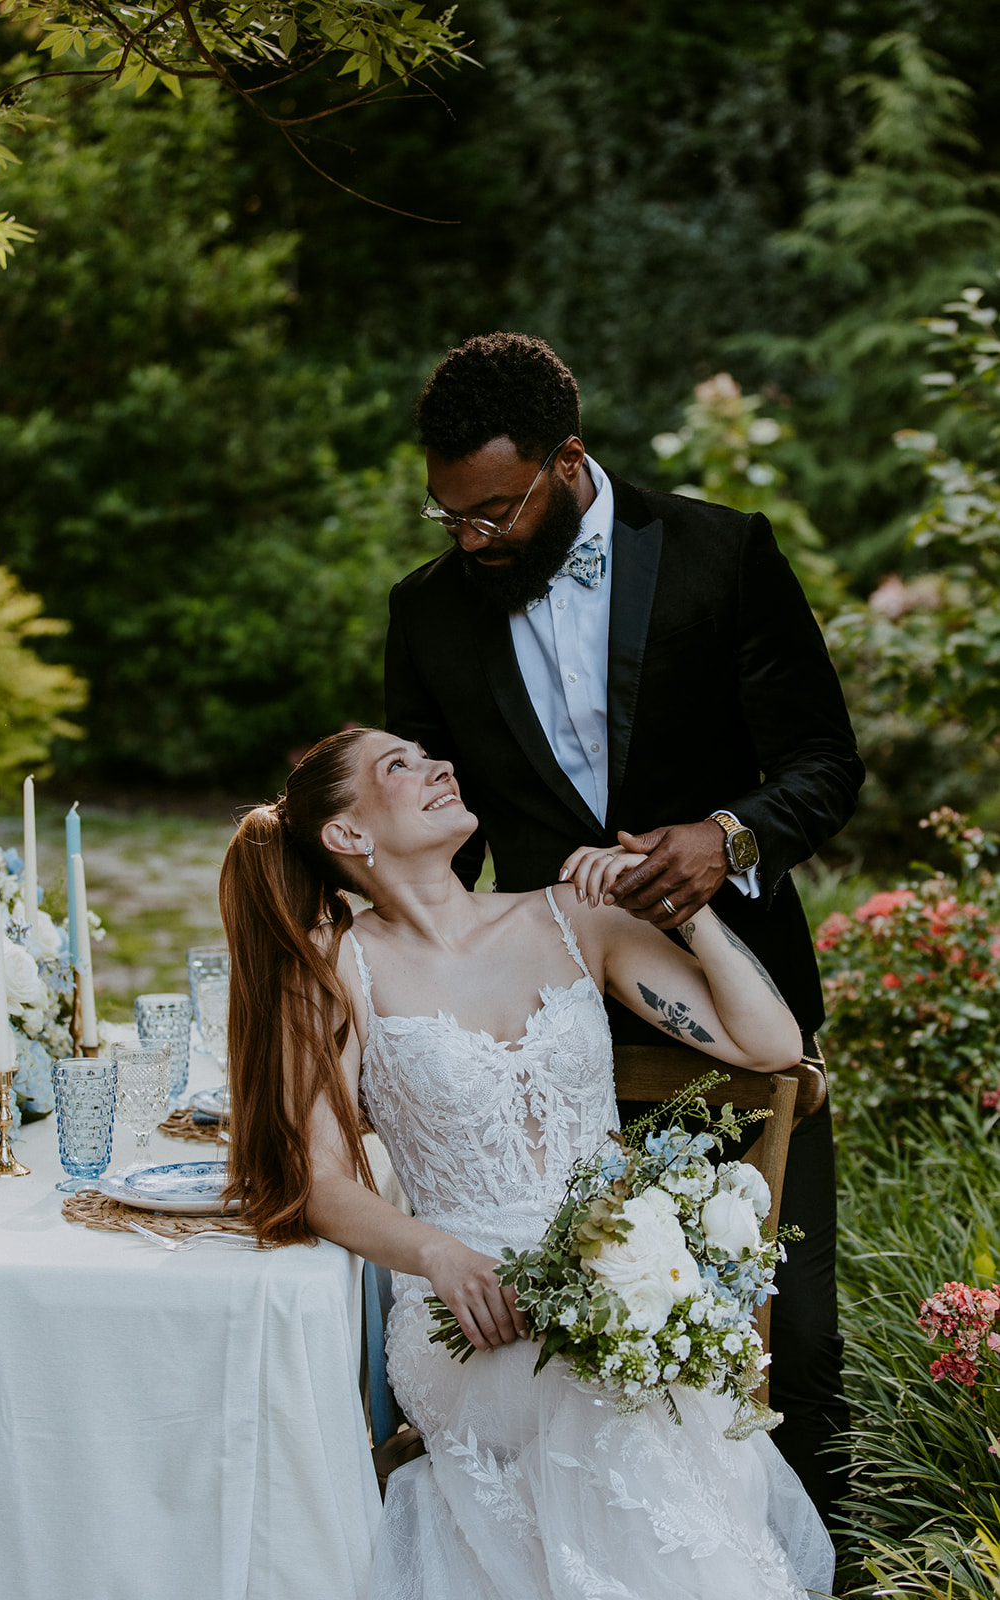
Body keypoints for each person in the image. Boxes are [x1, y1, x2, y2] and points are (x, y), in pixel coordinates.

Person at [384, 333, 865, 1523]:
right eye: (450, 517)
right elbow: (431, 836)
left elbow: (823, 761)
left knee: (786, 1344)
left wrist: (726, 835)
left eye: (493, 511)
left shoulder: (718, 554)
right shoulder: (426, 613)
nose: (472, 540)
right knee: (574, 1374)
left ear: (567, 461)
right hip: (545, 1048)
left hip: (732, 1006)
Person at [219, 727, 835, 1599]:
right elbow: (317, 1181)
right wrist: (436, 1253)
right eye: (399, 766)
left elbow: (770, 1047)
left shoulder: (575, 918)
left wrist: (679, 907)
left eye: (431, 755)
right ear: (347, 836)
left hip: (623, 1277)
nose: (440, 767)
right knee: (602, 1395)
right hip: (462, 1311)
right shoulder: (332, 969)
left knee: (624, 1387)